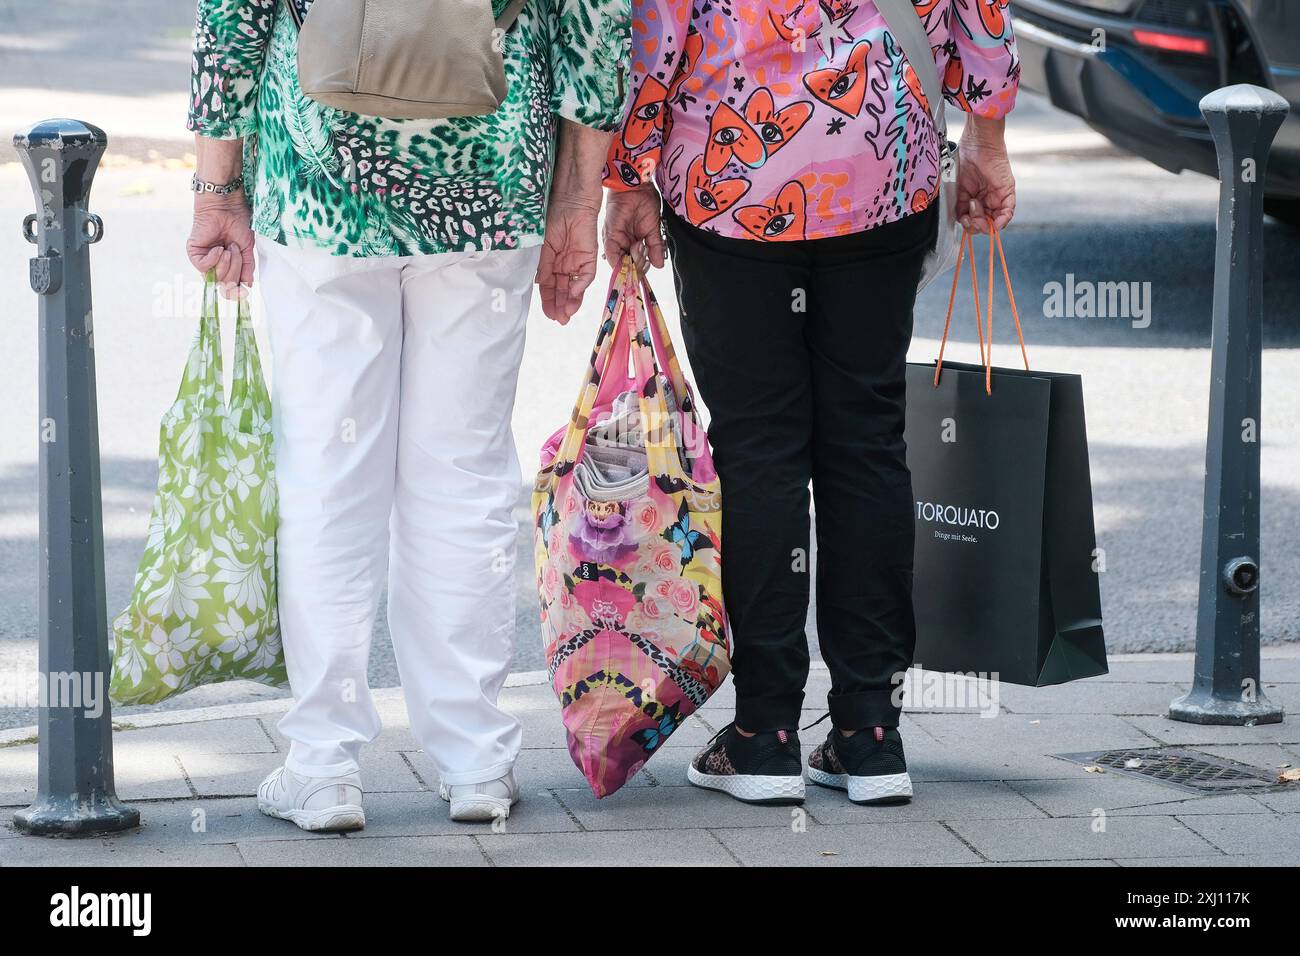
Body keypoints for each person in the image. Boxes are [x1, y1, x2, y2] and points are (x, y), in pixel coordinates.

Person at [185, 0, 628, 829]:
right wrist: (576, 199)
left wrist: (217, 186)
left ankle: (323, 766)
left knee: (327, 471)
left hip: (320, 172)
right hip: (491, 173)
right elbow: (596, 18)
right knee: (462, 470)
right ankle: (475, 761)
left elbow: (233, 15)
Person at [601, 0, 1019, 806]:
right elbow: (984, 12)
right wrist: (987, 138)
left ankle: (765, 735)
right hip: (880, 164)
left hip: (732, 173)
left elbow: (657, 24)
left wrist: (628, 176)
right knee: (866, 440)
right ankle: (870, 734)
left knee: (760, 448)